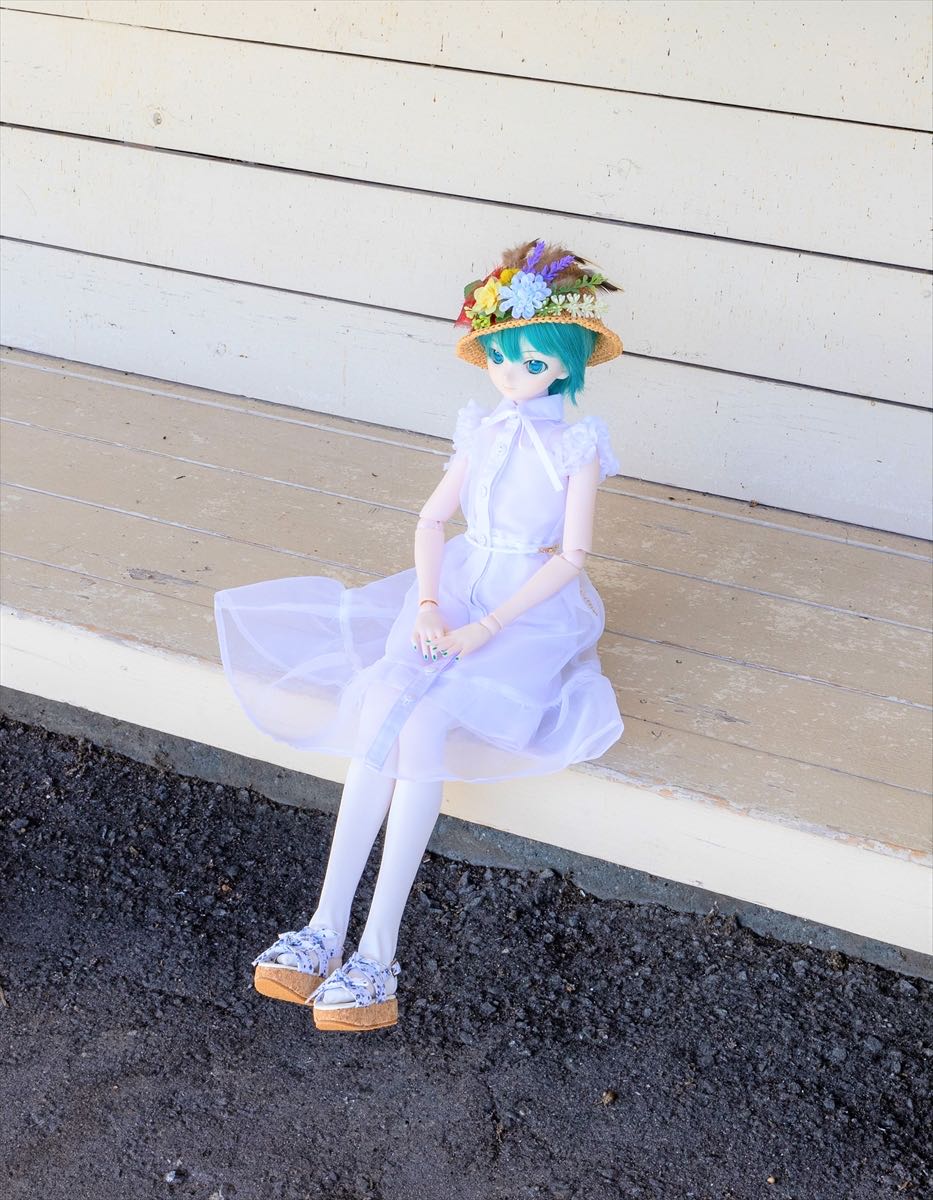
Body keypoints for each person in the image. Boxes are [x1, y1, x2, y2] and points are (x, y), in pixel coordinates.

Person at [213, 238, 626, 1032]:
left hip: (524, 608)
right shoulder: (483, 431)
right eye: (500, 358)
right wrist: (431, 604)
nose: (511, 374)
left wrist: (486, 626)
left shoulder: (575, 447)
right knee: (380, 704)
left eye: (530, 360)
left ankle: (378, 953)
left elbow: (571, 557)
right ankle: (324, 926)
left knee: (424, 725)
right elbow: (432, 521)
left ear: (565, 362)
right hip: (456, 585)